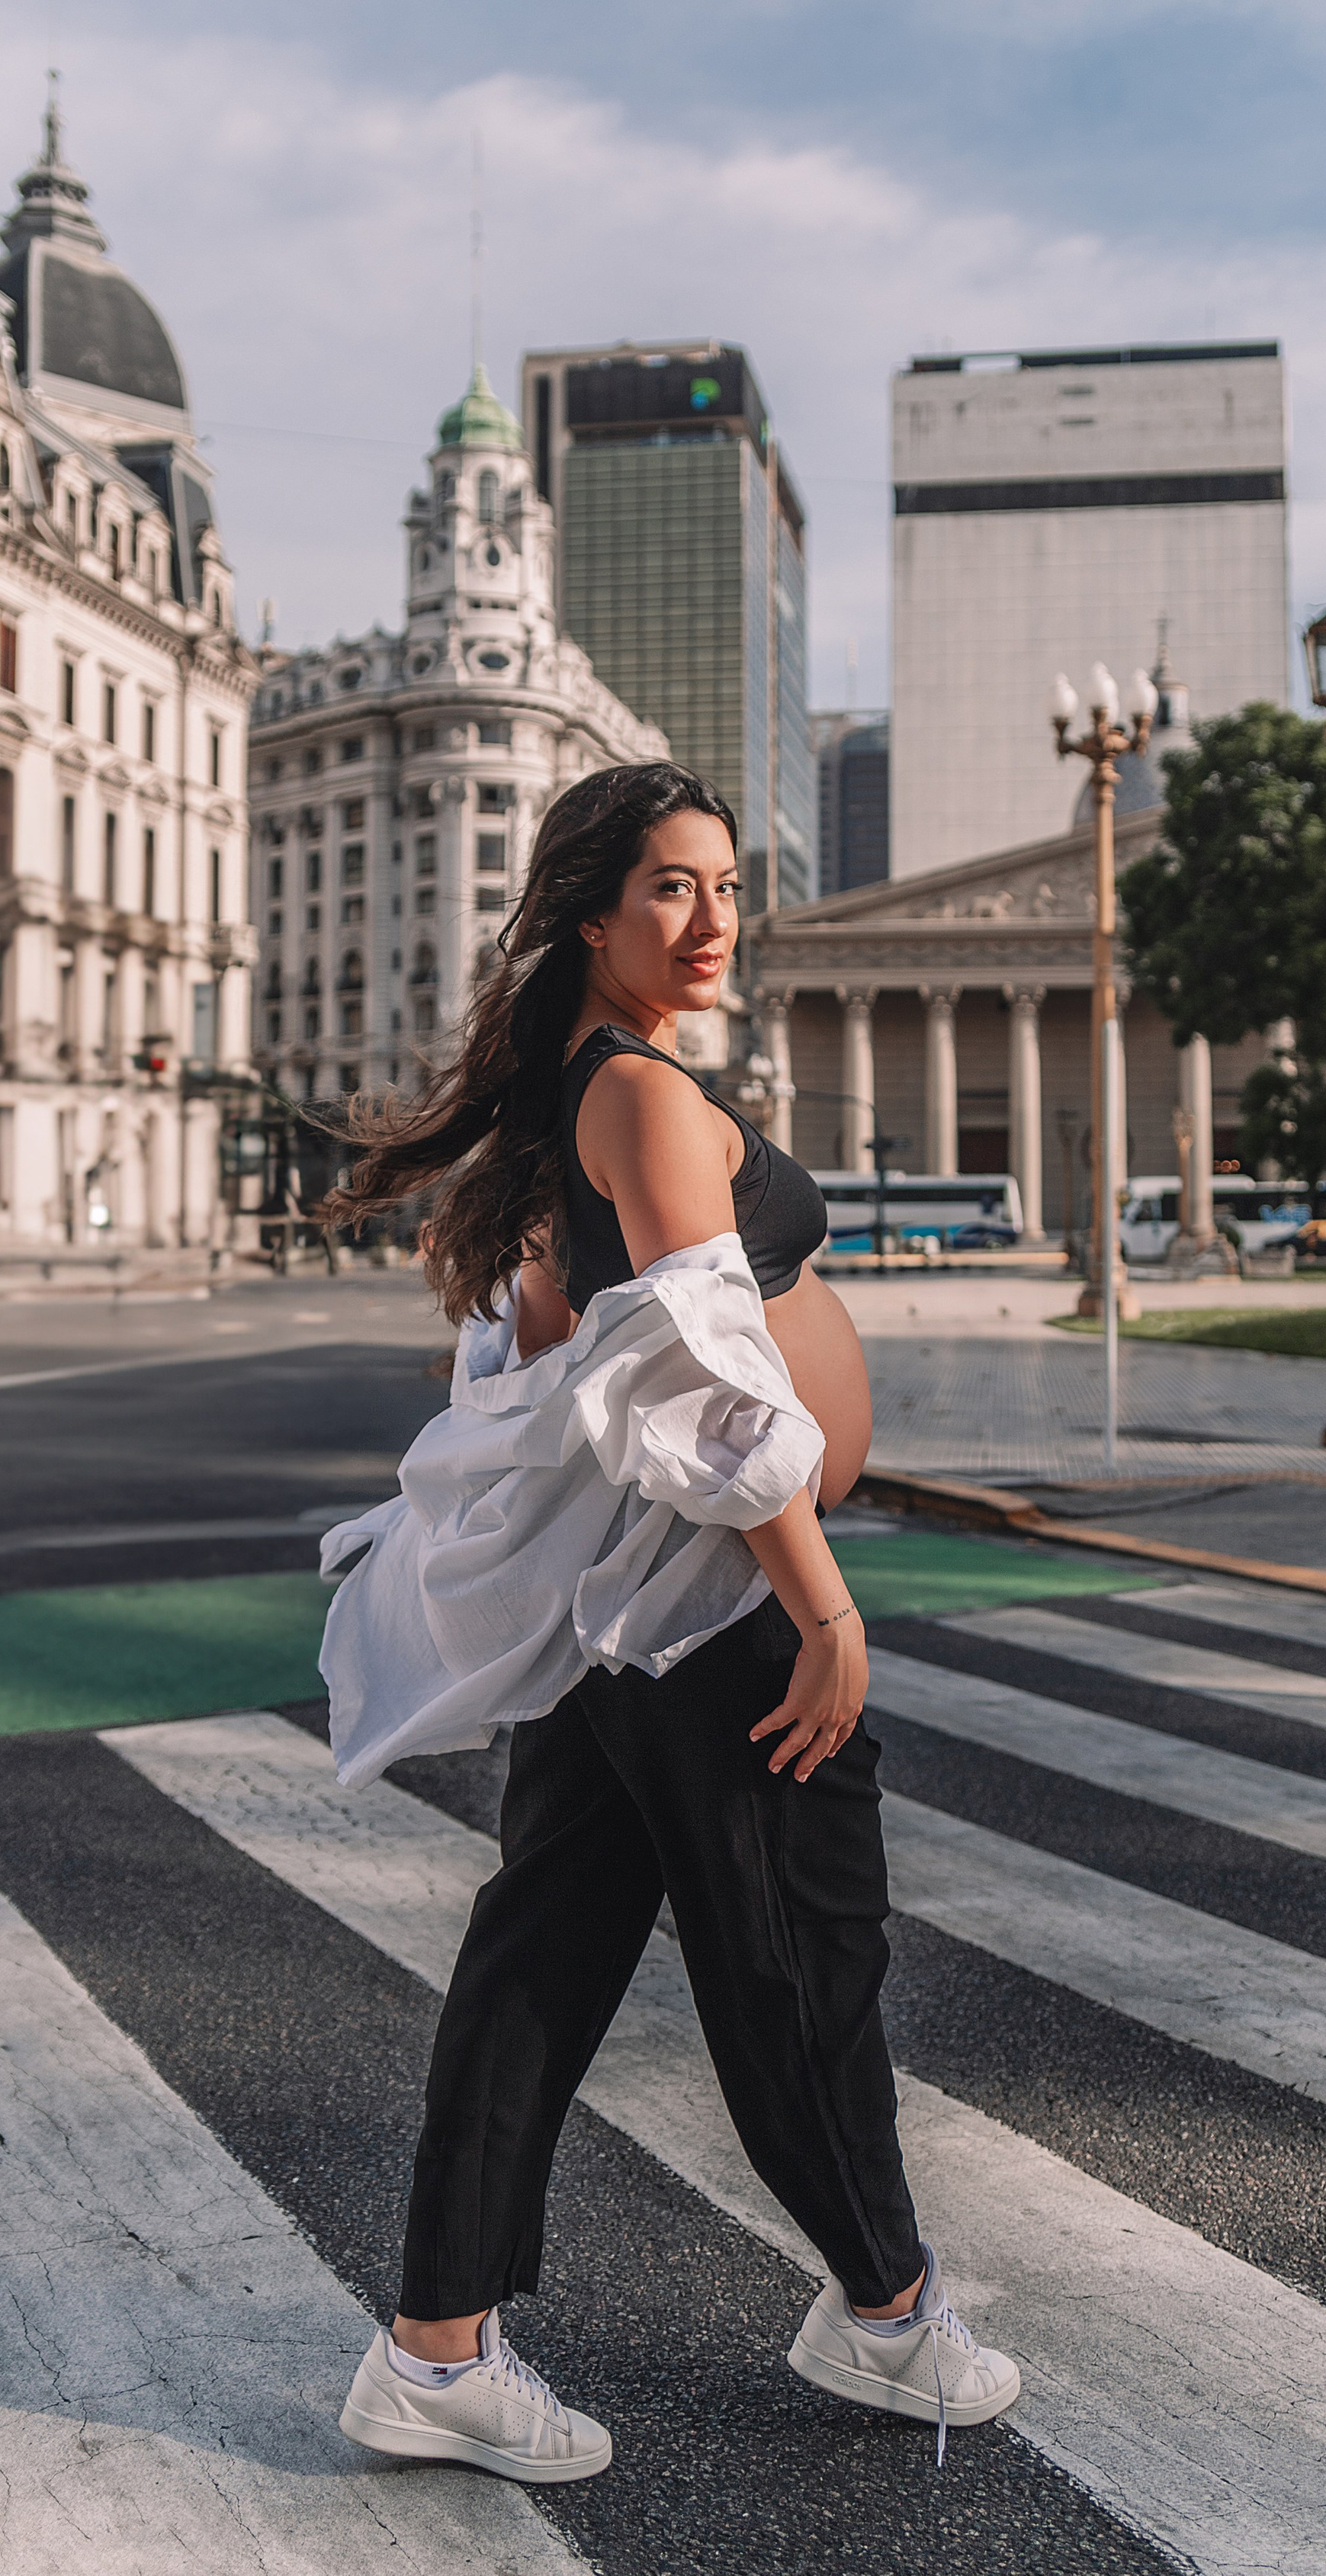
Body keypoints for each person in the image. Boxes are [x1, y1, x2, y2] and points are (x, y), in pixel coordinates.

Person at [320, 761, 1019, 2483]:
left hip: (619, 1612)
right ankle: (886, 2317)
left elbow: (559, 1337)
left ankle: (433, 2354)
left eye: (724, 888)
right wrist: (825, 1604)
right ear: (587, 912)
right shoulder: (631, 1093)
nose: (710, 922)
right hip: (709, 1613)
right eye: (669, 889)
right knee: (799, 1964)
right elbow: (706, 1377)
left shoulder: (587, 1094)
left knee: (541, 1965)